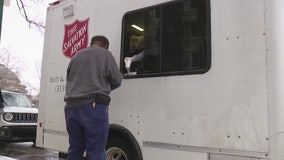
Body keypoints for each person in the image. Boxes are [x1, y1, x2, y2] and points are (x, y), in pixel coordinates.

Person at [64, 35, 122, 160]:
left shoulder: (76, 56)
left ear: (92, 43)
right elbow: (117, 80)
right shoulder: (105, 54)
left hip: (71, 108)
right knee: (95, 150)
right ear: (105, 45)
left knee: (75, 148)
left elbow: (69, 79)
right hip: (93, 106)